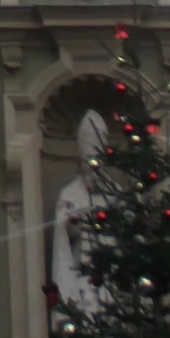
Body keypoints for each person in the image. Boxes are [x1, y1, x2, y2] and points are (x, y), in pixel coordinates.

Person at [48, 107, 113, 317]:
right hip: (80, 275)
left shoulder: (116, 194)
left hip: (111, 279)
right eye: (89, 162)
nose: (93, 168)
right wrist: (74, 223)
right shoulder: (69, 195)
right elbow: (62, 237)